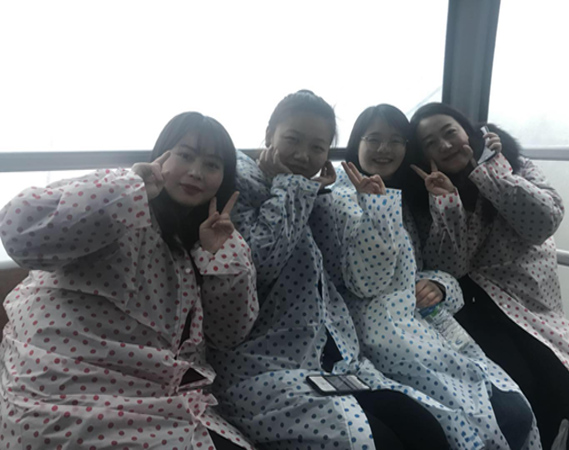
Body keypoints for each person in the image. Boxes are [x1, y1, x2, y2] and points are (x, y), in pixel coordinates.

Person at [0, 112, 259, 449]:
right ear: (161, 155)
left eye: (212, 164)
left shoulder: (201, 242)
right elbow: (21, 232)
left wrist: (220, 256)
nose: (196, 172)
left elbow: (229, 333)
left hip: (154, 398)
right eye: (185, 155)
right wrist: (129, 188)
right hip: (63, 390)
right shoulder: (119, 202)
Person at [208, 91, 450, 450]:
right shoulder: (236, 187)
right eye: (292, 139)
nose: (303, 155)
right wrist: (290, 188)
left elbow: (350, 277)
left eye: (317, 147)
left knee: (426, 429)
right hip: (265, 365)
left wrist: (347, 204)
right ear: (269, 133)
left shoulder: (319, 196)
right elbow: (262, 264)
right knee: (378, 442)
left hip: (335, 360)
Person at [332, 103, 542, 450]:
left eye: (396, 140)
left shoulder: (404, 197)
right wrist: (375, 207)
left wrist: (440, 286)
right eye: (374, 139)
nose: (384, 149)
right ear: (357, 143)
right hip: (381, 336)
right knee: (482, 419)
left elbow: (440, 268)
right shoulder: (336, 197)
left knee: (515, 408)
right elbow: (367, 283)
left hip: (428, 322)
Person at [408, 102, 569, 450]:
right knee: (521, 385)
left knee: (567, 385)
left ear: (470, 131)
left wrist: (490, 172)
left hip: (528, 296)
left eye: (450, 133)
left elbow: (542, 222)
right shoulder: (427, 193)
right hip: (476, 299)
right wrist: (447, 202)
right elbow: (452, 267)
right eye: (430, 143)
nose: (445, 145)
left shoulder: (513, 163)